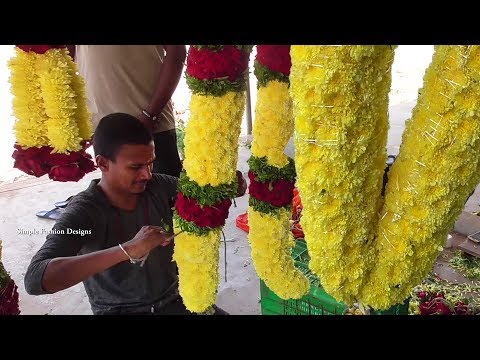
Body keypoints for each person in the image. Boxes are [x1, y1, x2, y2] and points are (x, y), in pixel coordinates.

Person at [24, 113, 246, 315]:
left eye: (150, 164)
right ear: (102, 163)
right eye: (135, 167)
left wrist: (226, 186)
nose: (147, 174)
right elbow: (35, 279)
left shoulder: (159, 186)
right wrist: (126, 250)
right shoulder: (83, 212)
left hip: (174, 300)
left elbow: (199, 193)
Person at [70, 45, 186, 177]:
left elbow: (177, 53)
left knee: (164, 193)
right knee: (116, 194)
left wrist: (151, 115)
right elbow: (67, 55)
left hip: (150, 125)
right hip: (102, 129)